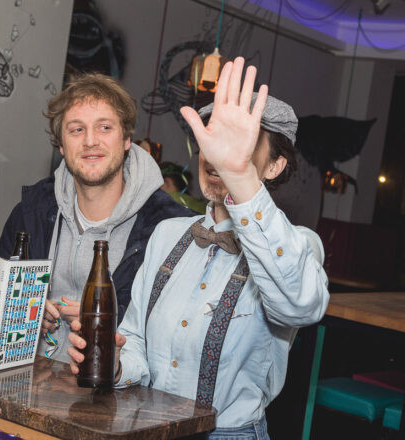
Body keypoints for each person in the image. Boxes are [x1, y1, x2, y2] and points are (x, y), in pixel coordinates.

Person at [68, 58, 329, 438]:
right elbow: (135, 339)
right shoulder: (167, 234)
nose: (218, 153)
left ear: (274, 166)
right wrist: (117, 364)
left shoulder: (299, 245)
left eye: (241, 142)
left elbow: (300, 305)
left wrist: (239, 177)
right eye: (214, 137)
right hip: (148, 427)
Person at [0, 73, 193, 362]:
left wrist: (107, 320)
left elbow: (179, 336)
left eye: (104, 127)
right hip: (30, 375)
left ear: (126, 139)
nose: (90, 141)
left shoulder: (168, 228)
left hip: (116, 385)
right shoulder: (31, 212)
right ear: (61, 145)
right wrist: (25, 316)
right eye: (77, 129)